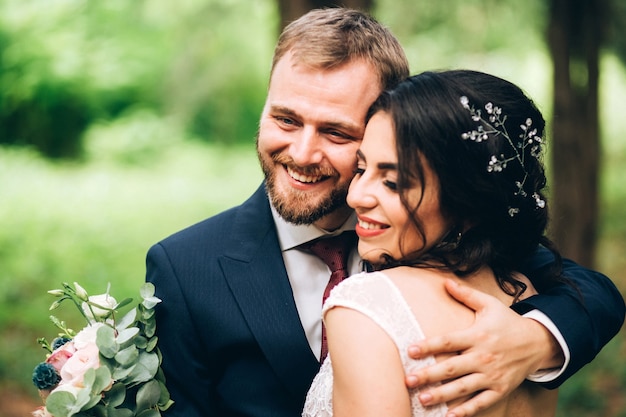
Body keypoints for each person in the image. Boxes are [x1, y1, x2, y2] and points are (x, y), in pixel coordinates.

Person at [145, 8, 626, 417]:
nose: (302, 152)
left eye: (336, 132)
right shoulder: (185, 268)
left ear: (386, 124)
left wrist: (539, 339)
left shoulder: (459, 240)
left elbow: (593, 293)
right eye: (285, 119)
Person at [302, 69, 592, 417]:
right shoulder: (528, 298)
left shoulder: (366, 308)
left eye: (393, 183)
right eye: (362, 170)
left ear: (467, 205)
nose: (356, 196)